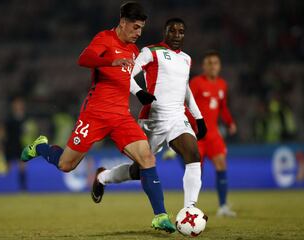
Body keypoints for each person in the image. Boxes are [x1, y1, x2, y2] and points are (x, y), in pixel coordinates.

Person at [20, 2, 175, 233]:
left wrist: (140, 92)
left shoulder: (134, 51)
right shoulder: (104, 38)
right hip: (95, 115)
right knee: (66, 165)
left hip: (122, 116)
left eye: (141, 28)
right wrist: (109, 61)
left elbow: (127, 79)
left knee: (147, 158)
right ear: (123, 22)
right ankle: (41, 147)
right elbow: (84, 58)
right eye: (135, 27)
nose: (138, 32)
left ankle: (160, 215)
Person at [92, 18, 207, 209]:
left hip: (178, 117)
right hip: (153, 119)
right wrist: (139, 92)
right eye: (173, 31)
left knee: (193, 155)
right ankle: (103, 177)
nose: (177, 35)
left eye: (181, 32)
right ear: (165, 32)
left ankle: (190, 210)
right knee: (138, 171)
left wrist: (199, 117)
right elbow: (125, 74)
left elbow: (185, 89)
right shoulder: (150, 52)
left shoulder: (186, 58)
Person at [187, 50, 237, 217]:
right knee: (195, 171)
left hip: (214, 135)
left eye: (215, 63)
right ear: (204, 66)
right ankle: (190, 208)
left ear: (220, 66)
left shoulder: (222, 84)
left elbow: (223, 107)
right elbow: (186, 105)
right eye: (209, 63)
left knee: (222, 165)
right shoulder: (196, 83)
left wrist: (230, 123)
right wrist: (190, 127)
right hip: (198, 135)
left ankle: (223, 206)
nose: (213, 66)